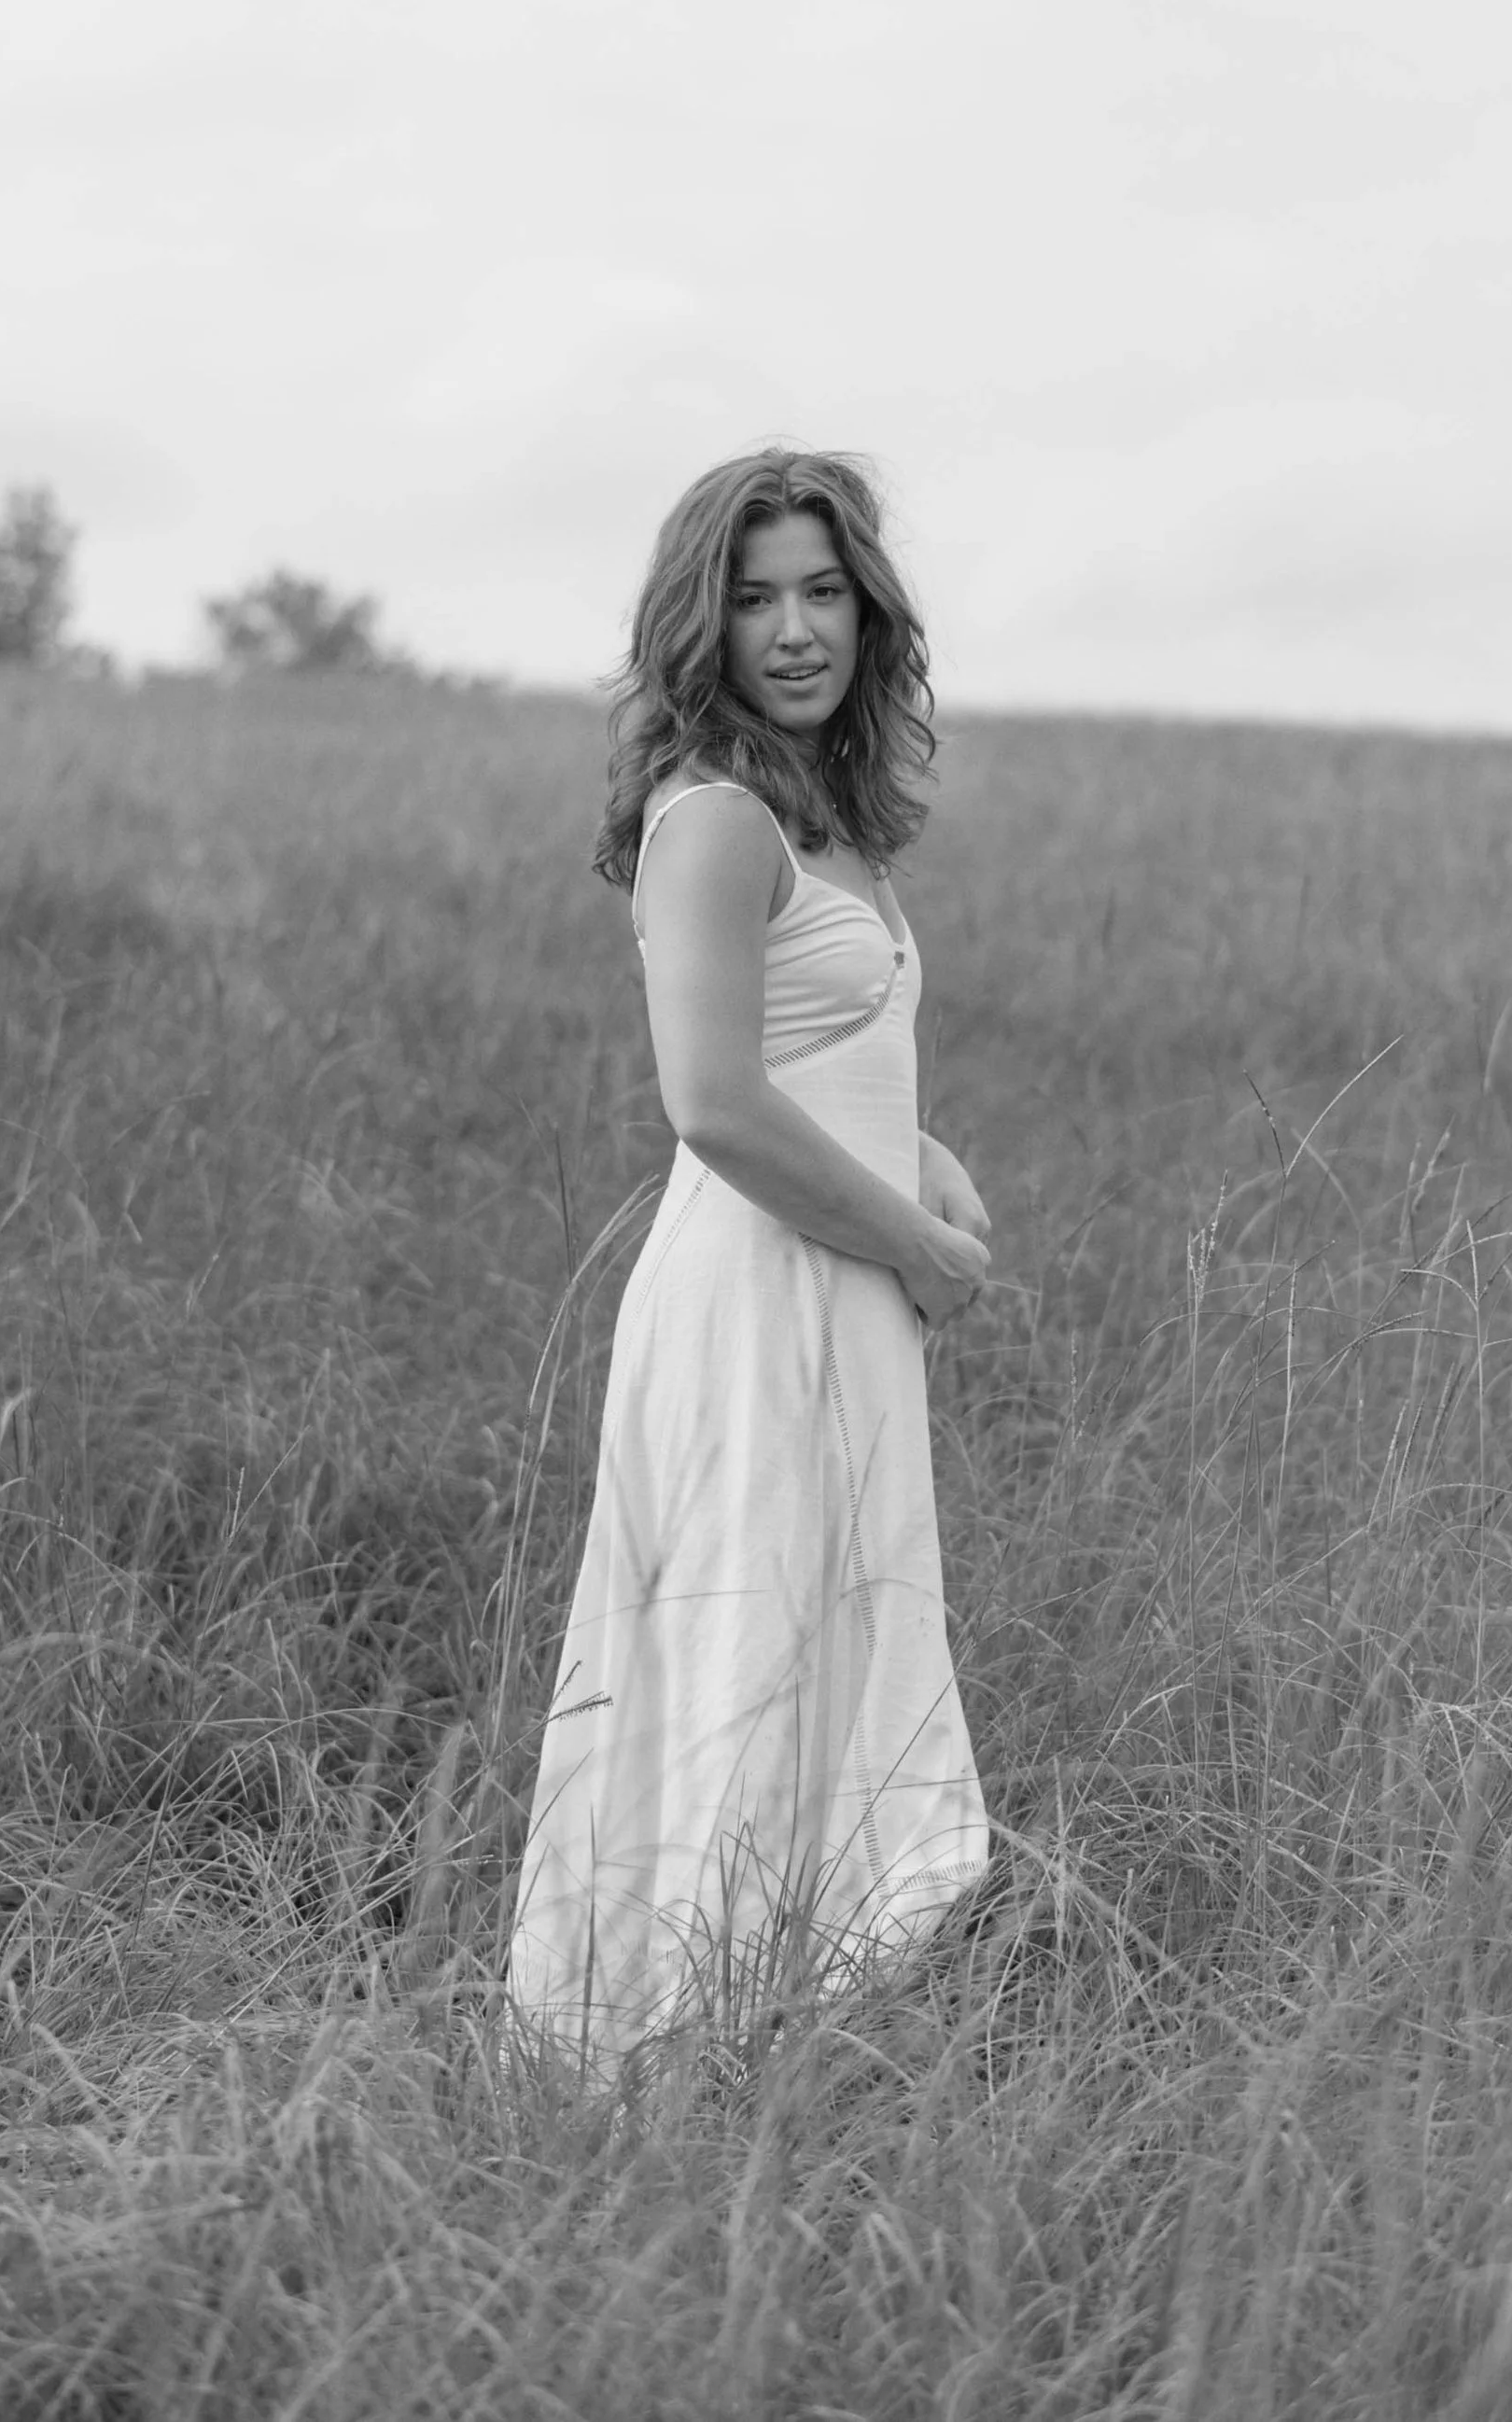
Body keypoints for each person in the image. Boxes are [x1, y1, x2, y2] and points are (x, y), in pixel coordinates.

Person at [504, 448, 995, 2072]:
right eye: (754, 594)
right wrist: (918, 1238)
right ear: (697, 621)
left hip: (844, 1295)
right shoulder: (710, 819)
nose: (793, 629)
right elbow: (711, 1101)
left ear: (870, 609)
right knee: (739, 1660)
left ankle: (764, 2055)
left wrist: (921, 1158)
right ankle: (657, 2063)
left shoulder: (836, 826)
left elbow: (816, 1058)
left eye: (822, 590)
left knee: (825, 1666)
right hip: (753, 1303)